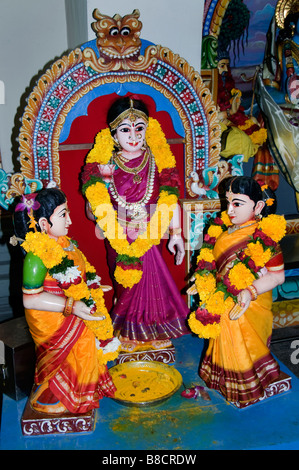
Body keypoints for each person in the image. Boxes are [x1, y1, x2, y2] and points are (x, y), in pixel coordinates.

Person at [81, 96, 190, 353]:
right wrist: (99, 195)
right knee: (125, 284)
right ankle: (127, 331)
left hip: (150, 233)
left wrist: (176, 234)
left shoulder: (158, 160)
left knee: (153, 284)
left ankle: (153, 330)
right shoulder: (104, 165)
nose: (133, 136)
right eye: (125, 129)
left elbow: (171, 197)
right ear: (113, 134)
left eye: (139, 128)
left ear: (148, 129)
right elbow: (90, 211)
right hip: (117, 234)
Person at [12, 188, 120, 414]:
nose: (70, 220)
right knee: (82, 340)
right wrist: (73, 306)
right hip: (53, 321)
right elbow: (30, 299)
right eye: (63, 215)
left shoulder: (67, 243)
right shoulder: (36, 255)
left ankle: (80, 390)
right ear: (43, 223)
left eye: (68, 212)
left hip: (72, 308)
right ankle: (55, 395)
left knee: (89, 337)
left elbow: (77, 277)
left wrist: (93, 287)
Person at [188, 176, 286, 407]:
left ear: (258, 206)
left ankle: (247, 384)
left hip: (250, 305)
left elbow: (278, 276)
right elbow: (212, 261)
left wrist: (249, 291)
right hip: (222, 300)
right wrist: (203, 276)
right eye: (228, 202)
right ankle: (223, 379)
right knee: (223, 336)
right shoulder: (225, 230)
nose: (230, 210)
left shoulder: (266, 240)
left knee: (245, 346)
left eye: (238, 203)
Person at [216, 51, 267, 162]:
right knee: (242, 141)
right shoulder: (209, 85)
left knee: (253, 122)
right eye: (222, 66)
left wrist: (235, 103)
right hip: (219, 125)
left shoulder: (227, 87)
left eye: (227, 66)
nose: (225, 70)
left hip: (230, 123)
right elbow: (212, 116)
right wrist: (230, 112)